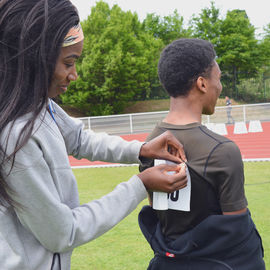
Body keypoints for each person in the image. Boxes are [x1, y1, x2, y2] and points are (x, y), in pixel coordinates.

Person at [0, 1, 188, 269]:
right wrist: (140, 185)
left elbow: (79, 139)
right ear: (35, 58)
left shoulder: (39, 104)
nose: (74, 75)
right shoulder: (14, 135)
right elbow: (61, 233)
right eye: (68, 63)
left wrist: (141, 150)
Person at [139, 38, 265, 270]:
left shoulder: (149, 144)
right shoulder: (223, 151)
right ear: (202, 84)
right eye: (218, 79)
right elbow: (238, 238)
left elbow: (161, 216)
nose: (220, 87)